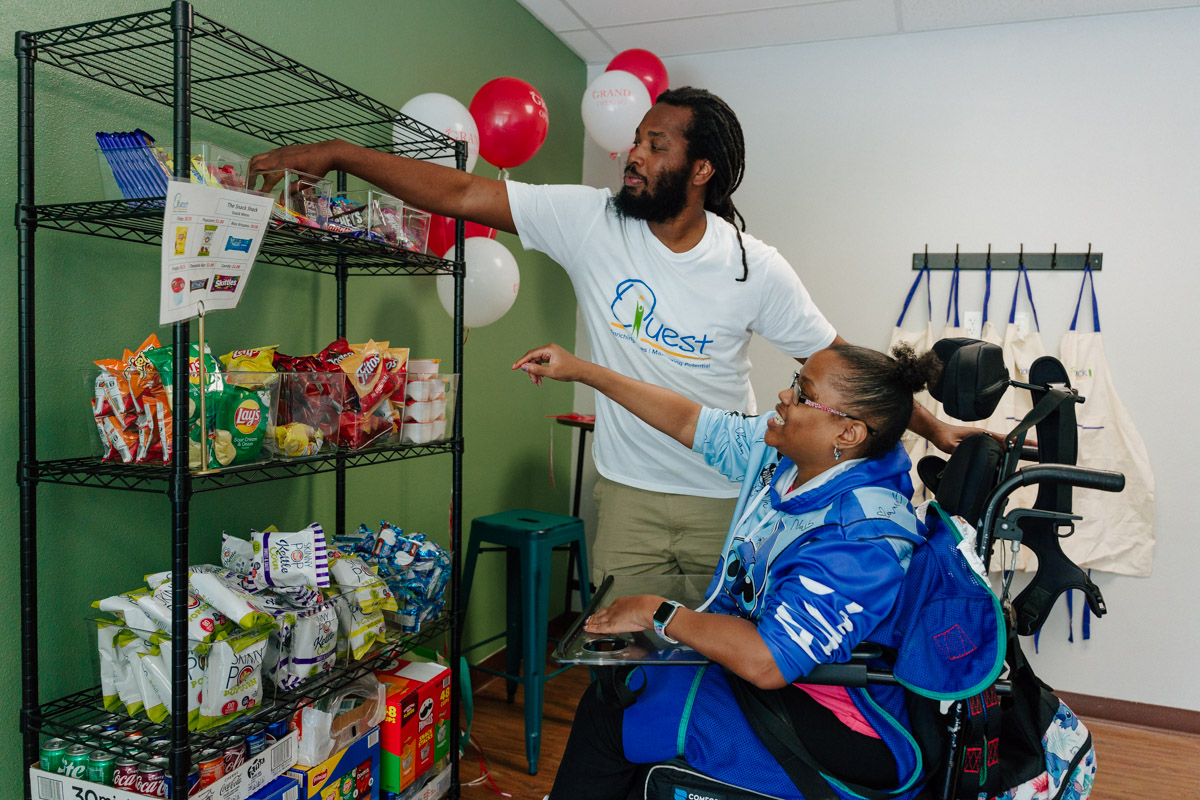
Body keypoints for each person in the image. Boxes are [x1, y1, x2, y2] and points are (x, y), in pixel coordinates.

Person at [248, 87, 975, 584]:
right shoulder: (590, 221)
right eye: (634, 139)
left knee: (718, 683)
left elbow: (840, 367)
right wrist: (341, 153)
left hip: (728, 495)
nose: (632, 153)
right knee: (624, 678)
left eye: (654, 144)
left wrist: (934, 427)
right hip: (625, 497)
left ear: (700, 170)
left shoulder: (753, 267)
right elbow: (464, 193)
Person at [511, 340, 944, 800]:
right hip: (785, 682)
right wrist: (582, 371)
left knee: (615, 714)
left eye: (802, 393)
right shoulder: (790, 458)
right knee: (622, 690)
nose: (783, 396)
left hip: (837, 713)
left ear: (849, 434)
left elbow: (768, 661)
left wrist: (656, 612)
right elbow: (687, 420)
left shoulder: (864, 536)